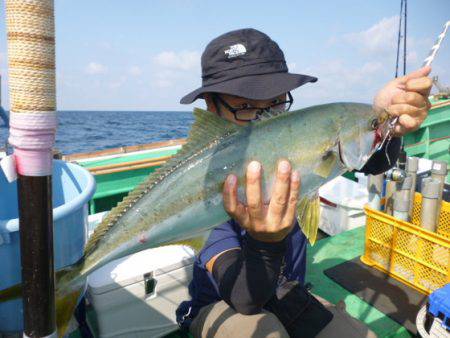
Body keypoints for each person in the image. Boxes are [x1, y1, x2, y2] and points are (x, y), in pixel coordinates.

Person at [176, 28, 432, 337]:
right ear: (211, 108)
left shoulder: (292, 149)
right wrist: (266, 243)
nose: (265, 120)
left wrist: (384, 123)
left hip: (287, 295)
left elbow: (365, 158)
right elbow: (245, 298)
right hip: (224, 303)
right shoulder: (205, 185)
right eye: (245, 107)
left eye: (275, 103)